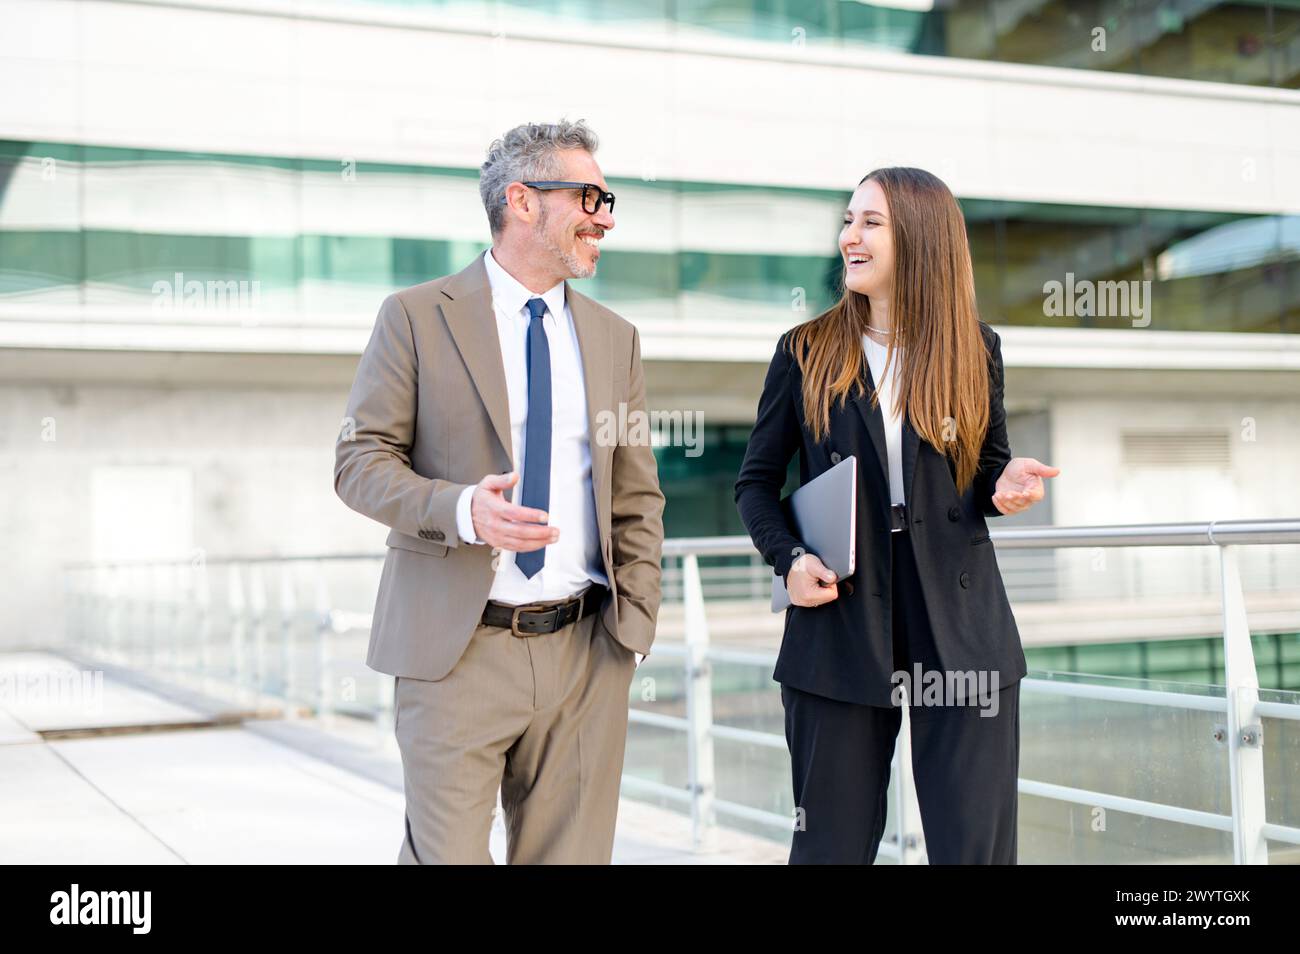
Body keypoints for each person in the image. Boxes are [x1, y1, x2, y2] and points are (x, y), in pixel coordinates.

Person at [334, 120, 665, 864]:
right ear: (522, 201)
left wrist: (632, 634)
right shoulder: (416, 317)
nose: (605, 217)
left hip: (587, 652)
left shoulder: (617, 339)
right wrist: (462, 510)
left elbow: (636, 497)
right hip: (457, 653)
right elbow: (358, 459)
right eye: (589, 196)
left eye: (608, 199)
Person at [734, 167, 1059, 864]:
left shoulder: (975, 347)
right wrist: (788, 560)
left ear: (919, 237)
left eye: (869, 222)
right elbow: (755, 484)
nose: (849, 236)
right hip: (840, 620)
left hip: (961, 625)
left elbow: (985, 470)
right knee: (829, 846)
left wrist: (1005, 486)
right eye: (849, 220)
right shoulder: (805, 350)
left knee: (975, 848)